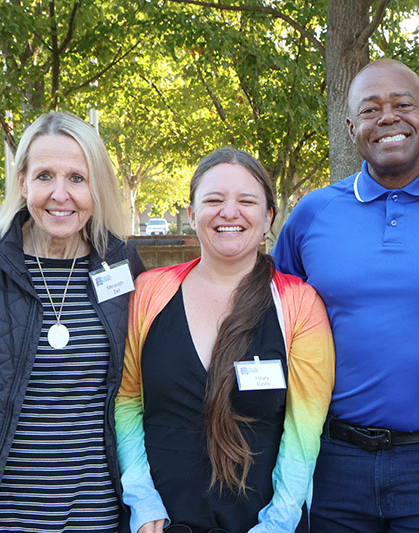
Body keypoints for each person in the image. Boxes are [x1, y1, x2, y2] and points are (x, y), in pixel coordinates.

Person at [273, 58, 419, 531]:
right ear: (350, 127)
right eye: (371, 109)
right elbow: (278, 321)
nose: (388, 117)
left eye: (402, 104)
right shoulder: (313, 214)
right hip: (333, 458)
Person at [0, 111, 145, 533]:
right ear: (22, 182)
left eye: (77, 177)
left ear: (98, 185)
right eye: (44, 176)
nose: (61, 194)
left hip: (97, 515)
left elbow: (138, 390)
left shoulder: (120, 261)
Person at [115, 147, 335, 533]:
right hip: (159, 522)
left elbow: (304, 432)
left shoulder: (299, 304)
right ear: (191, 214)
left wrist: (279, 522)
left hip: (260, 523)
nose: (229, 213)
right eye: (213, 200)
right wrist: (141, 499)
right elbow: (127, 401)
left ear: (268, 216)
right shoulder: (149, 293)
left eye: (246, 201)